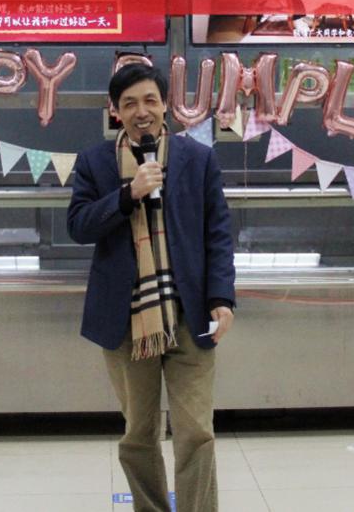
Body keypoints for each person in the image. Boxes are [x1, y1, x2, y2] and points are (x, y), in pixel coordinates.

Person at [67, 63, 236, 512]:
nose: (141, 112)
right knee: (139, 433)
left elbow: (218, 233)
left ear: (165, 105)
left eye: (149, 101)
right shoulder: (95, 162)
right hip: (125, 320)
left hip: (190, 315)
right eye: (129, 104)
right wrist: (128, 194)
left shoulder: (198, 159)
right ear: (115, 111)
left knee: (196, 431)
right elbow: (79, 226)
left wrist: (221, 298)